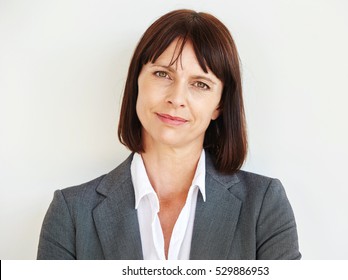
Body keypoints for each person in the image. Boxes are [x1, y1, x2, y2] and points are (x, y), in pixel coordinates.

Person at [37, 9, 301, 260]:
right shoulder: (71, 213)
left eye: (200, 84)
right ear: (137, 81)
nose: (177, 98)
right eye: (163, 74)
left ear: (219, 104)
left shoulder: (264, 205)